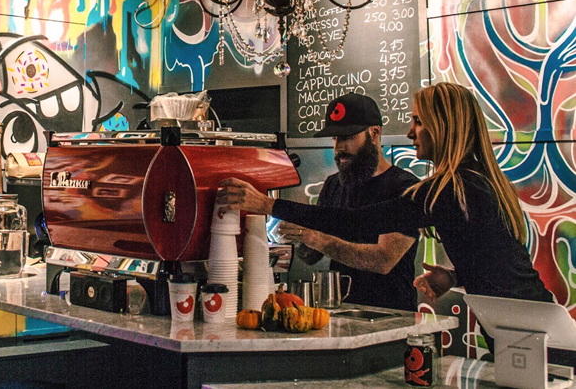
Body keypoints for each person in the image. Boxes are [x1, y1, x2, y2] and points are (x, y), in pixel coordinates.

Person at [217, 82, 551, 308]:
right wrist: (454, 276)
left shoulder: (451, 188)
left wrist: (269, 204)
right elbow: (498, 256)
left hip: (527, 320)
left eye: (418, 122)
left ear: (444, 126)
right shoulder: (471, 182)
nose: (409, 132)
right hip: (521, 313)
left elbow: (359, 223)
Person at [279, 93, 419, 312]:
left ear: (374, 133)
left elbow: (382, 260)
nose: (338, 148)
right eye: (335, 138)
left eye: (347, 137)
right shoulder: (334, 184)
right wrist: (299, 236)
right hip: (340, 310)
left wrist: (317, 238)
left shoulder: (405, 187)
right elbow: (311, 256)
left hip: (392, 315)